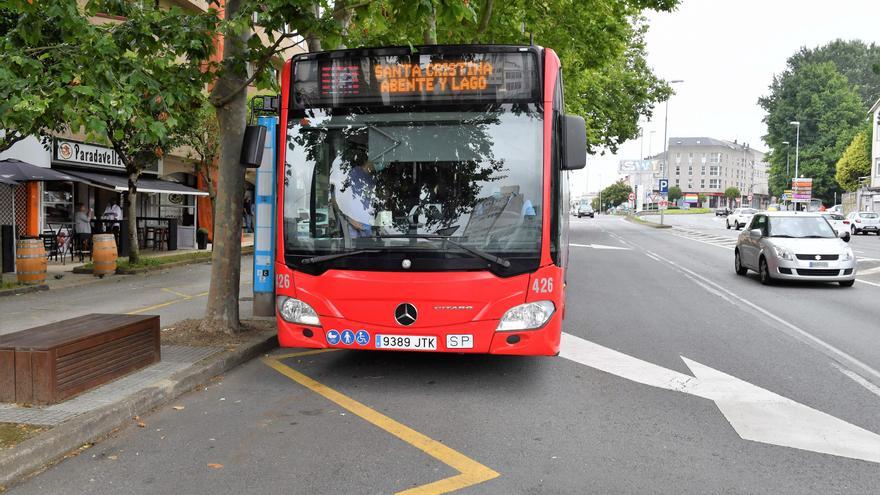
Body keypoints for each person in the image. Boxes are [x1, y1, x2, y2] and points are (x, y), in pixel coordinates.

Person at [330, 151, 376, 238]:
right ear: (368, 162)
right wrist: (351, 220)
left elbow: (378, 202)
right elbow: (336, 200)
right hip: (354, 226)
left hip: (369, 226)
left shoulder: (372, 178)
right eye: (375, 161)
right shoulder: (352, 176)